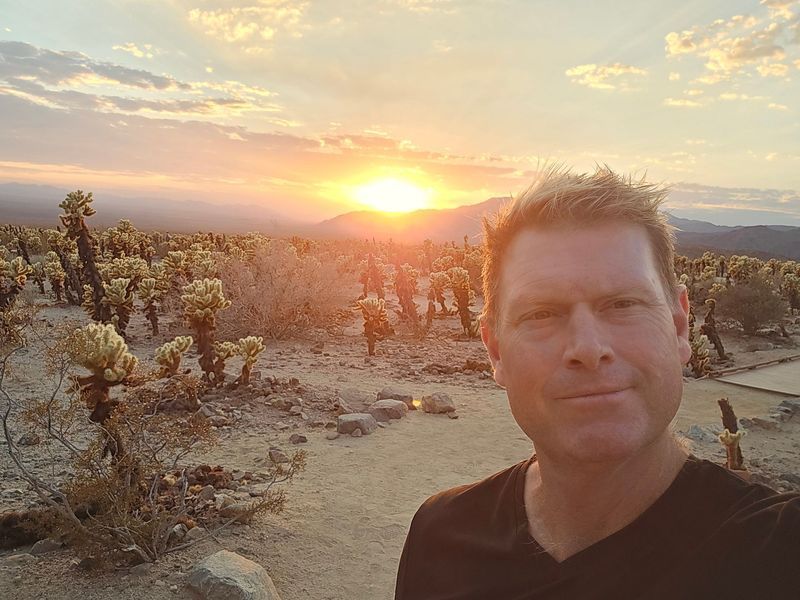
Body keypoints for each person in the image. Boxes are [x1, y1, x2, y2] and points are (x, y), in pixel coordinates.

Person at [394, 166, 800, 599]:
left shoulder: (779, 553)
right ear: (495, 351)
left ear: (680, 327)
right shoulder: (440, 538)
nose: (588, 348)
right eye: (541, 314)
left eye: (623, 304)